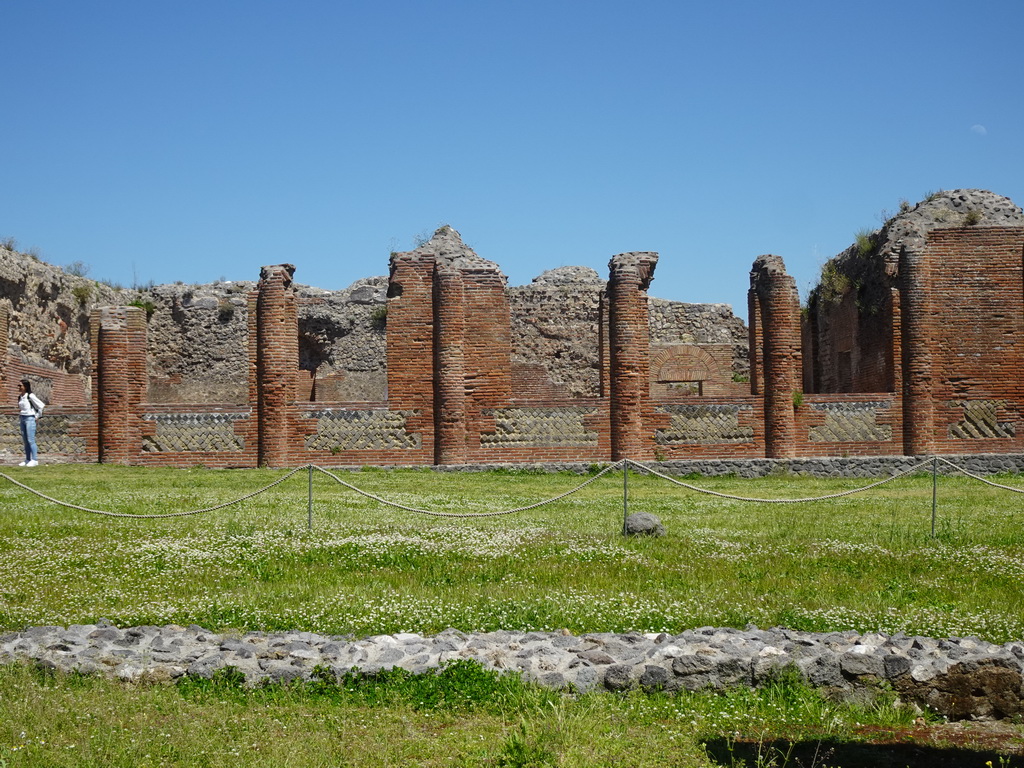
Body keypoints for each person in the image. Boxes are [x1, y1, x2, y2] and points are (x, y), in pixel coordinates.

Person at [17, 379, 45, 467]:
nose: (19, 387)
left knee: (30, 439)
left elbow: (41, 406)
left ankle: (34, 459)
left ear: (25, 386)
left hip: (30, 418)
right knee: (25, 440)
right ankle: (27, 459)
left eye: (20, 386)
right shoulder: (20, 397)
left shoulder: (30, 396)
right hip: (22, 418)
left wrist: (37, 416)